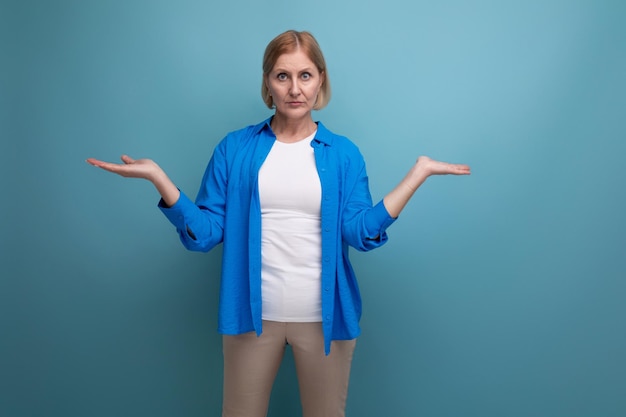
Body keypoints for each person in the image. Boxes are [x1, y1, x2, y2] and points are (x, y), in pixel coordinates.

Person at [87, 30, 470, 417]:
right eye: (282, 76)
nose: (294, 88)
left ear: (320, 79)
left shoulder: (343, 155)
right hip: (250, 317)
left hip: (325, 319)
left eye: (305, 75)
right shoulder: (235, 148)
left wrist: (416, 175)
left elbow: (359, 232)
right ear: (268, 83)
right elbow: (203, 236)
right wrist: (160, 179)